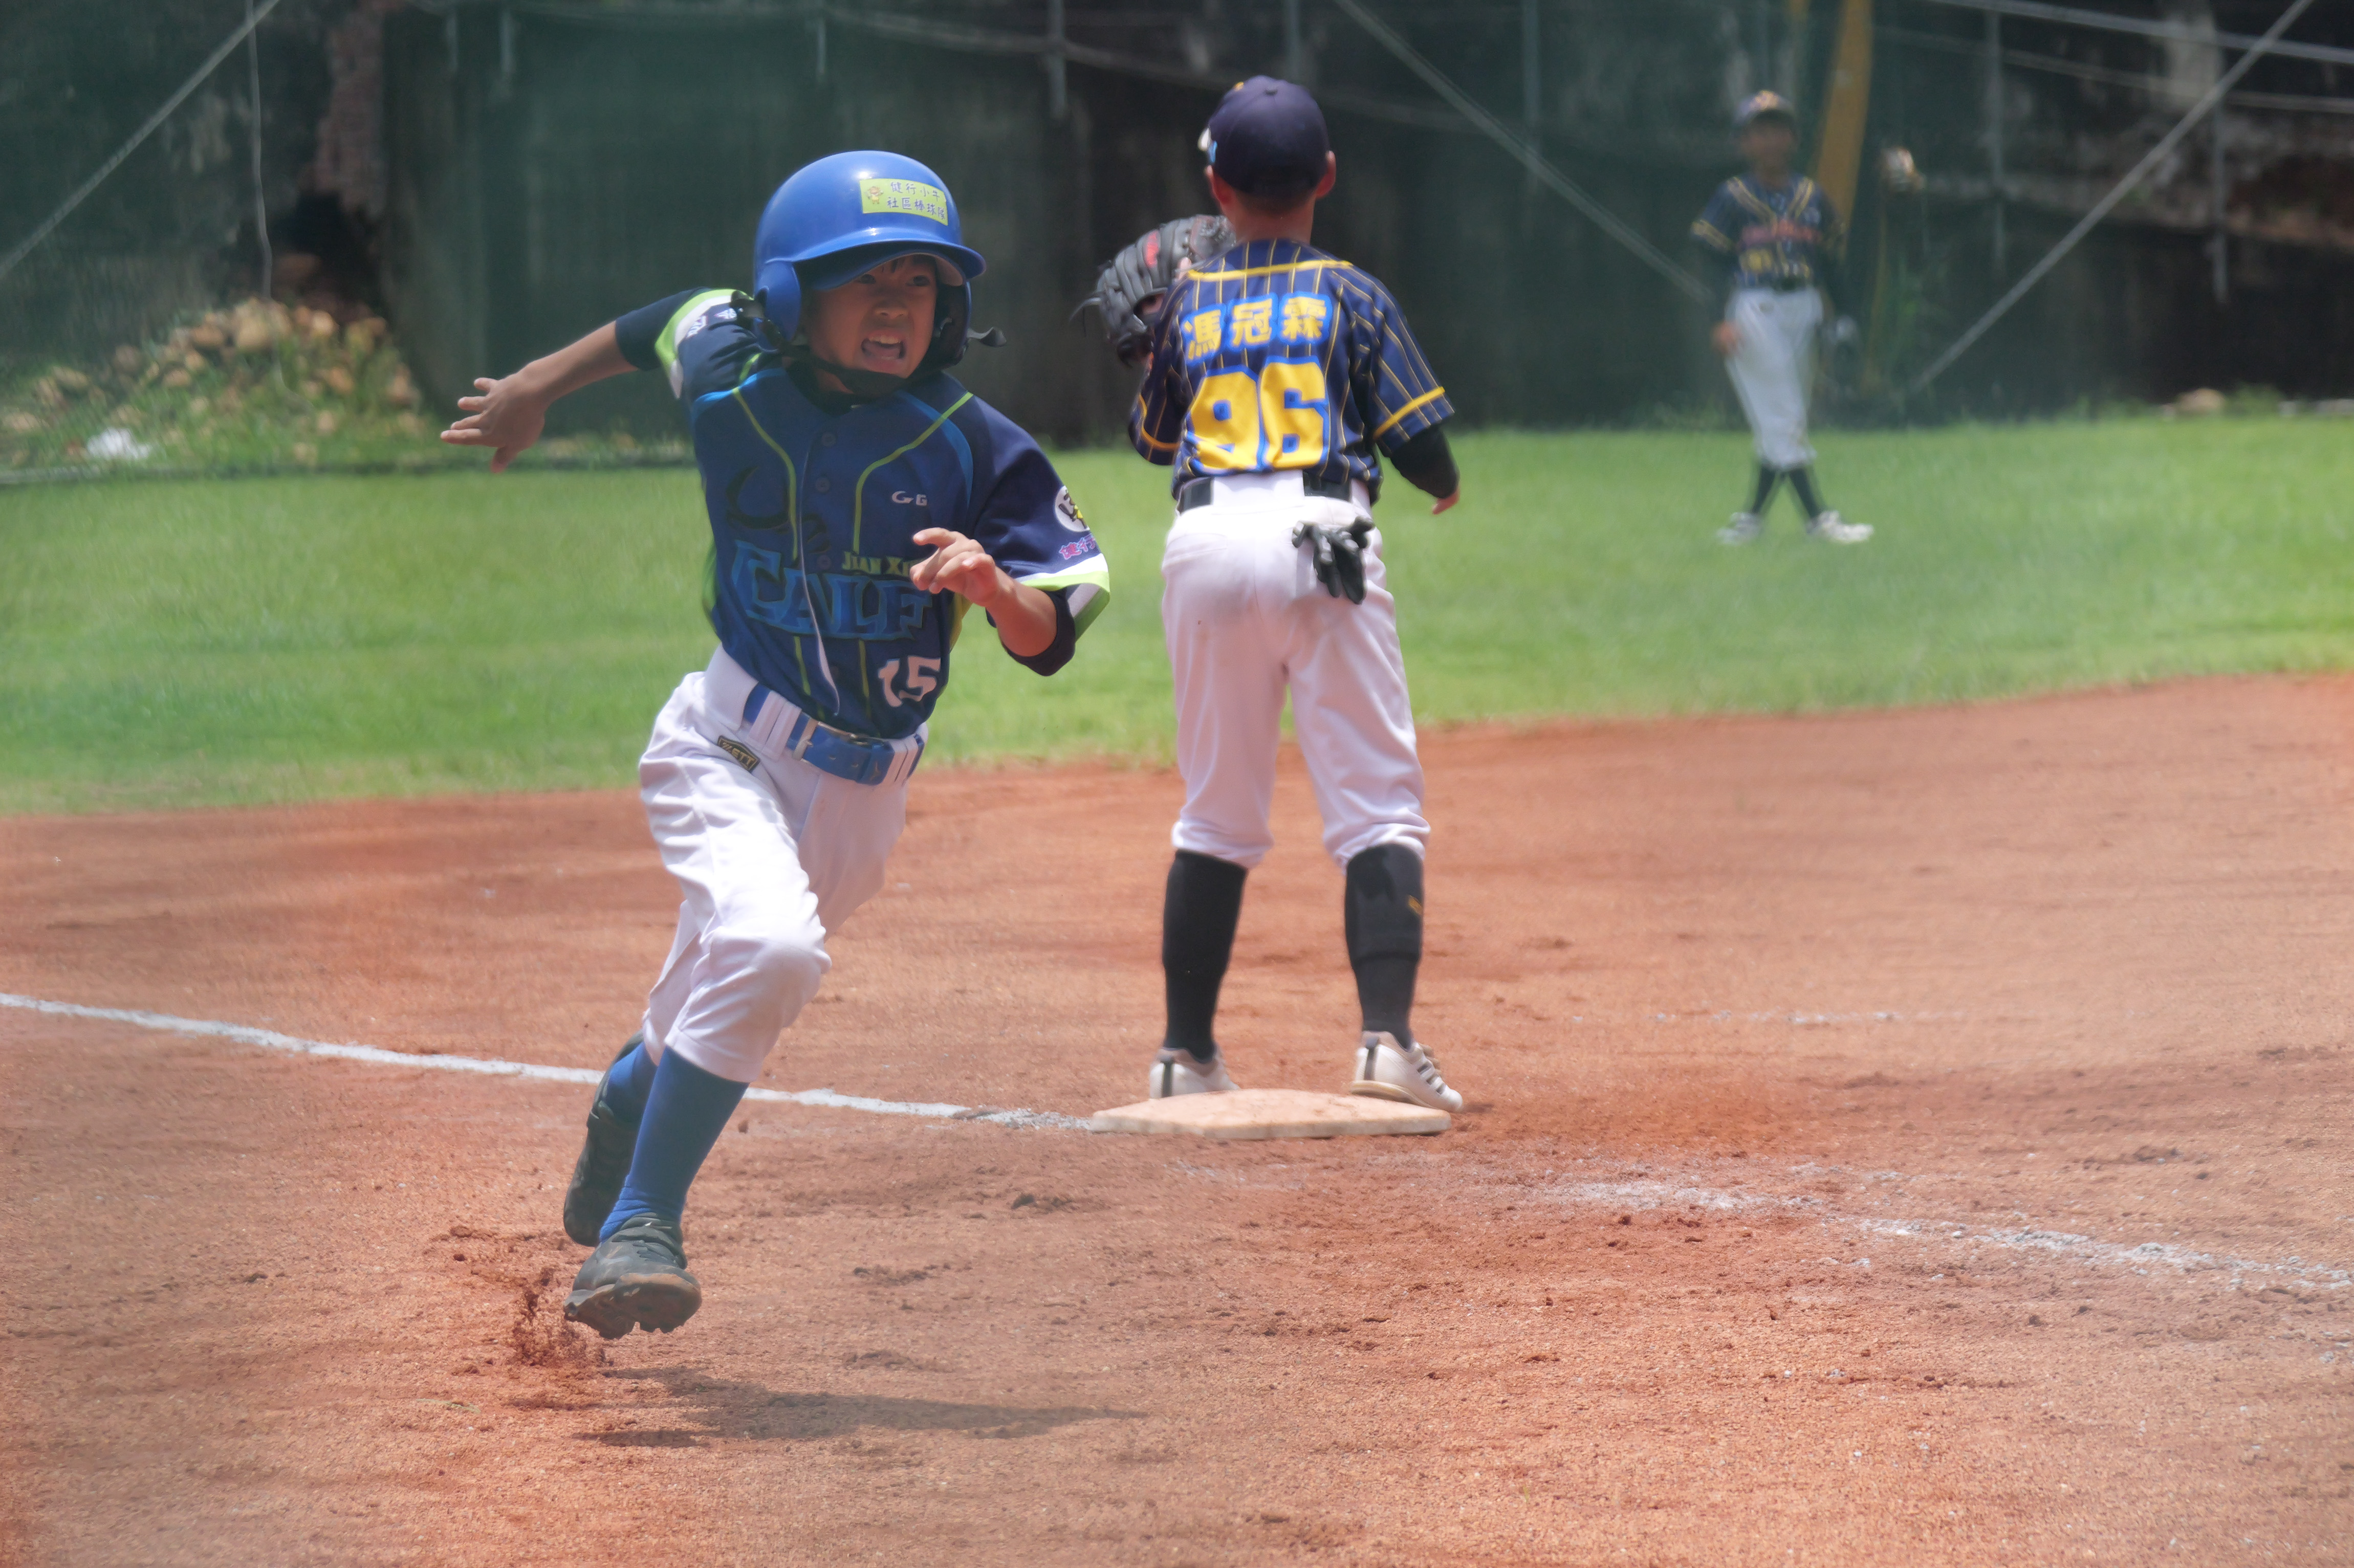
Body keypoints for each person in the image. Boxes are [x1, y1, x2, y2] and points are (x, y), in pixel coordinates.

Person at [440, 151, 1110, 1339]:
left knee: (729, 981)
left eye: (922, 282)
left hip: (865, 798)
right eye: (865, 280)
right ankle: (645, 1222)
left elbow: (1057, 620)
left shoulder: (973, 440)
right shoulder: (731, 373)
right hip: (724, 740)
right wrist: (535, 389)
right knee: (771, 946)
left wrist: (997, 590)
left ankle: (626, 1097)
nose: (899, 304)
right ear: (794, 297)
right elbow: (662, 319)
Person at [1122, 77, 1463, 1113]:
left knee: (1215, 813)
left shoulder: (1186, 297)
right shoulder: (1352, 293)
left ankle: (1184, 1054)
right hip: (1323, 532)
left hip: (1207, 538)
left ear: (1214, 185)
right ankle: (1386, 1042)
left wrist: (1153, 342)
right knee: (1375, 800)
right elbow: (1419, 443)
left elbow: (1151, 441)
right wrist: (1443, 485)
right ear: (1325, 178)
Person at [1690, 91, 1872, 546]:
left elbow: (1832, 263)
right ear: (1744, 143)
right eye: (1759, 131)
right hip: (1755, 310)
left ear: (1793, 137)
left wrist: (1847, 315)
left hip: (1804, 308)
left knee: (1782, 421)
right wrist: (1719, 319)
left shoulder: (1812, 197)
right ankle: (1819, 520)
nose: (1770, 139)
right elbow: (1711, 261)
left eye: (1778, 129)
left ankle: (1750, 521)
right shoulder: (1732, 197)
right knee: (1785, 418)